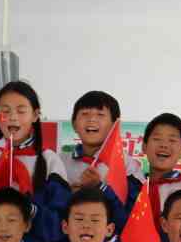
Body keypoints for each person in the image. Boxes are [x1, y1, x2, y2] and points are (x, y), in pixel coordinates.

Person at [0, 80, 71, 242]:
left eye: (21, 111)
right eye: (5, 111)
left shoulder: (49, 161)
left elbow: (60, 222)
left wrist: (30, 209)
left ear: (35, 115)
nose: (13, 117)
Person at [59, 90, 142, 232]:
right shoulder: (60, 161)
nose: (91, 119)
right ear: (74, 124)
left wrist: (100, 187)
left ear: (114, 125)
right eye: (85, 114)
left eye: (100, 115)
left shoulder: (128, 165)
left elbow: (134, 215)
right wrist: (68, 195)